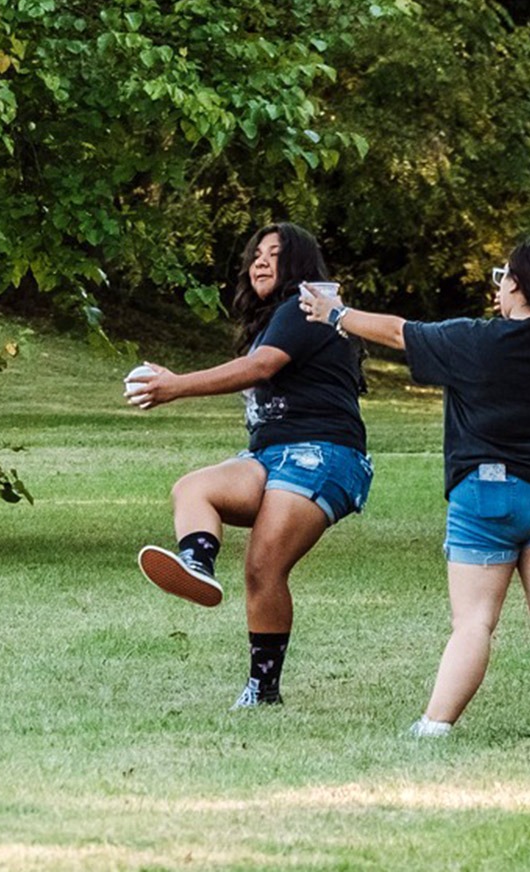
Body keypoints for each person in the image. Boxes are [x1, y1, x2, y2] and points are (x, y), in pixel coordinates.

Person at [302, 241, 530, 747]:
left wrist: (336, 312)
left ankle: (434, 726)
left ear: (515, 285)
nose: (498, 286)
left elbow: (398, 332)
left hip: (488, 494)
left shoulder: (476, 341)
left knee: (474, 622)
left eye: (503, 277)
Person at [128, 224, 373, 708]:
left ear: (299, 265)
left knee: (264, 565)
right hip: (269, 457)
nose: (259, 262)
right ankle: (196, 561)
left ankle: (263, 690)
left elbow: (260, 368)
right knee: (195, 488)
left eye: (274, 255)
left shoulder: (306, 308)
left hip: (324, 454)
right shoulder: (277, 318)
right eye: (256, 254)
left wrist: (176, 385)